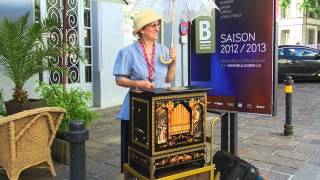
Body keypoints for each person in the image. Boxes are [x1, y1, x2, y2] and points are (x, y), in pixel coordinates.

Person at [113, 9, 177, 174]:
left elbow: (169, 79)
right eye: (153, 25)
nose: (157, 28)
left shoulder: (163, 51)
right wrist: (138, 83)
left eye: (158, 25)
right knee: (133, 153)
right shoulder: (128, 52)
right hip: (137, 107)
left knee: (158, 151)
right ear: (142, 30)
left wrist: (174, 62)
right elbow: (119, 79)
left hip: (159, 108)